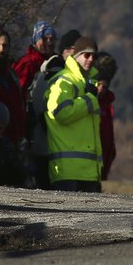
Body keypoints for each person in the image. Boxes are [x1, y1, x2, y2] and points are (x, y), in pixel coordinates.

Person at [45, 36, 102, 192]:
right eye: (86, 55)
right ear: (76, 56)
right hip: (67, 171)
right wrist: (89, 99)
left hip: (89, 172)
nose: (90, 59)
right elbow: (60, 112)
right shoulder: (64, 81)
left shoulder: (89, 84)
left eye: (94, 56)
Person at [27, 28, 81, 189]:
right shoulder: (55, 75)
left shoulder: (69, 76)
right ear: (66, 51)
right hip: (49, 148)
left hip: (55, 149)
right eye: (77, 51)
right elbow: (40, 106)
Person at [12, 20, 56, 94]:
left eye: (52, 39)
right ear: (35, 41)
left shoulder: (56, 61)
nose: (49, 42)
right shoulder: (27, 63)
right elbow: (18, 90)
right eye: (44, 39)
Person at [95, 52, 118, 181]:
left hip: (100, 167)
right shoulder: (90, 101)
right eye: (98, 84)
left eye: (104, 86)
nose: (101, 89)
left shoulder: (107, 103)